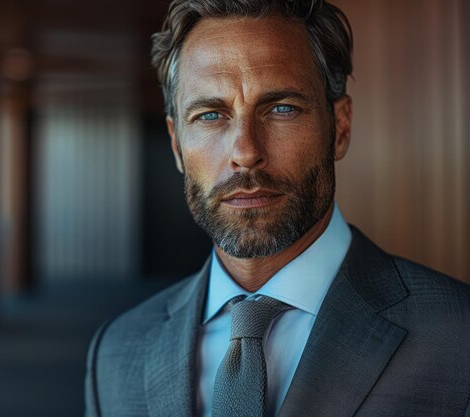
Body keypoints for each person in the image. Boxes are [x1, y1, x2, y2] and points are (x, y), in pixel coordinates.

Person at [84, 0, 470, 416]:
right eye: (211, 115)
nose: (245, 153)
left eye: (282, 109)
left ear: (339, 127)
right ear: (177, 145)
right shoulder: (116, 353)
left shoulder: (458, 338)